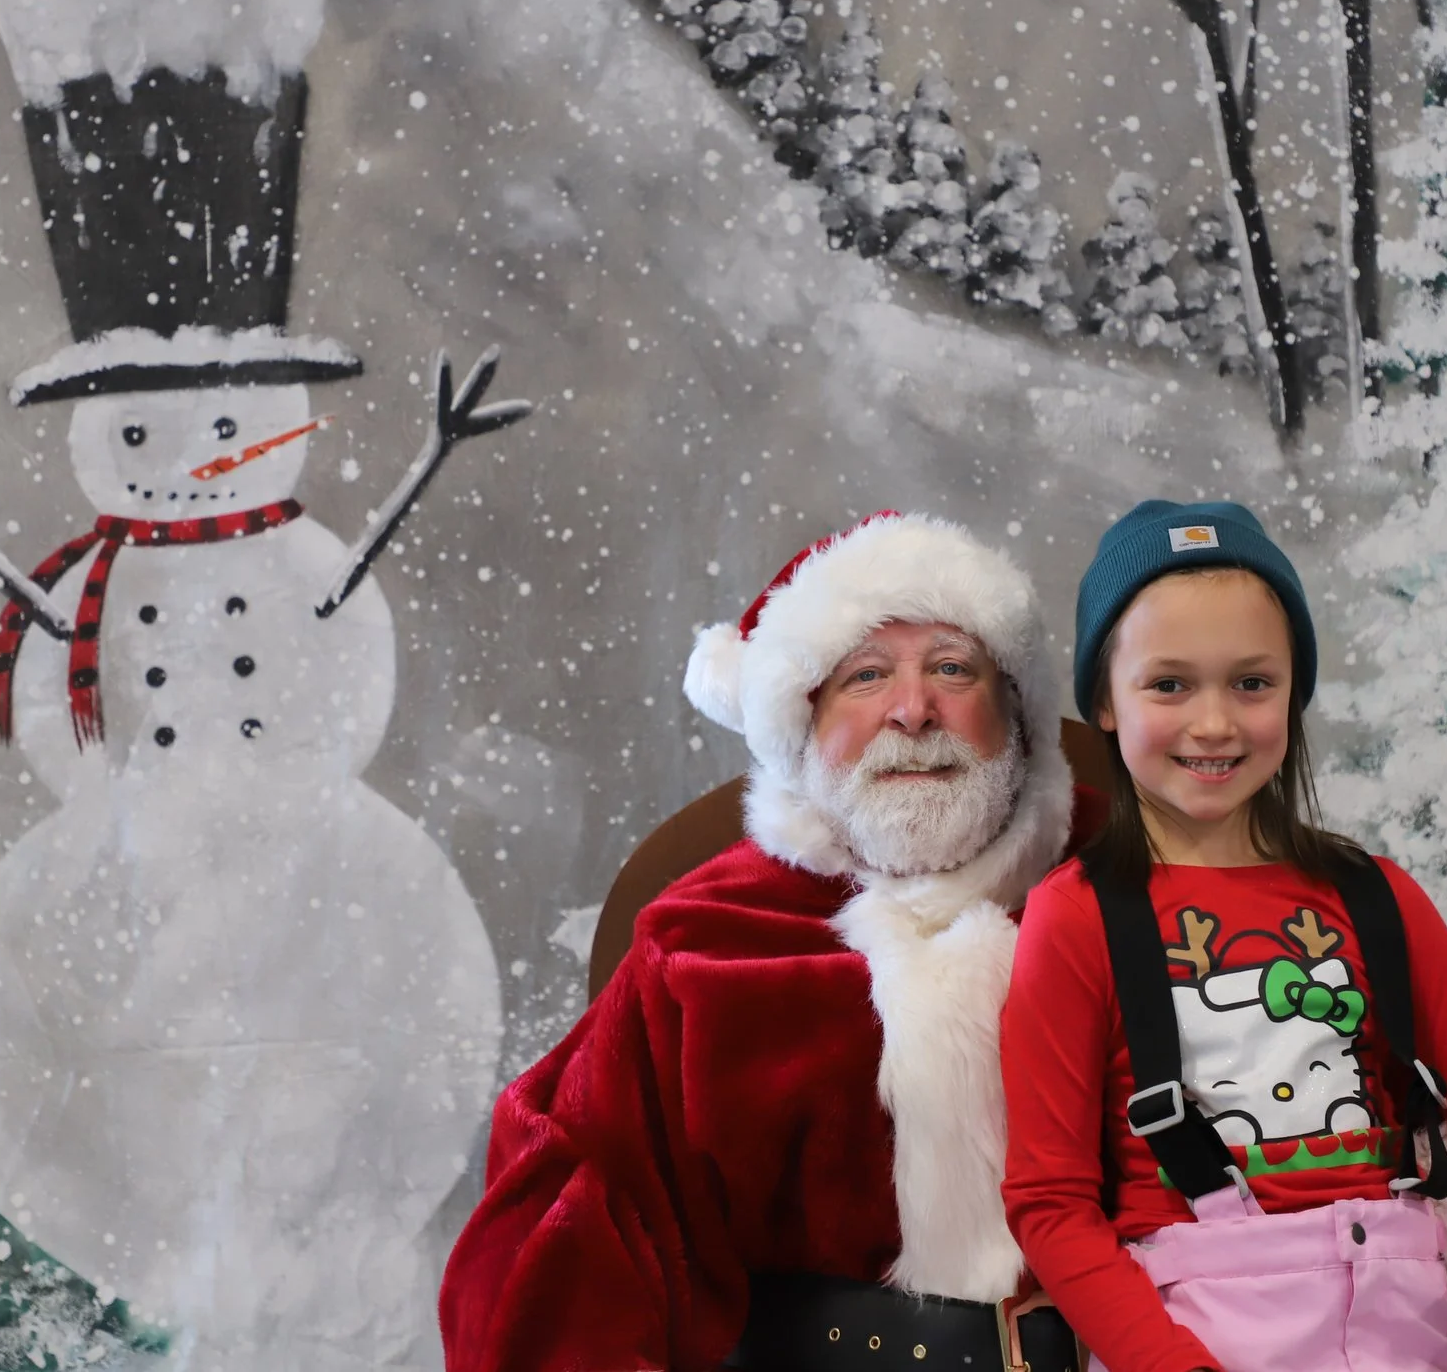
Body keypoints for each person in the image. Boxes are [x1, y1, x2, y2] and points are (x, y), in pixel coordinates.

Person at [440, 511, 1099, 1370]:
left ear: (1013, 714)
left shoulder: (1125, 894)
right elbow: (563, 1247)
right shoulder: (707, 944)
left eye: (951, 667)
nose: (912, 710)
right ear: (803, 723)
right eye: (866, 675)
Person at [1001, 500, 1447, 1372]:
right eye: (1169, 684)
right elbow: (1051, 1201)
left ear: (1293, 689)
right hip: (1200, 1331)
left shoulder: (1378, 896)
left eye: (1251, 683)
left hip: (1416, 1321)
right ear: (1105, 702)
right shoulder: (1078, 915)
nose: (1214, 722)